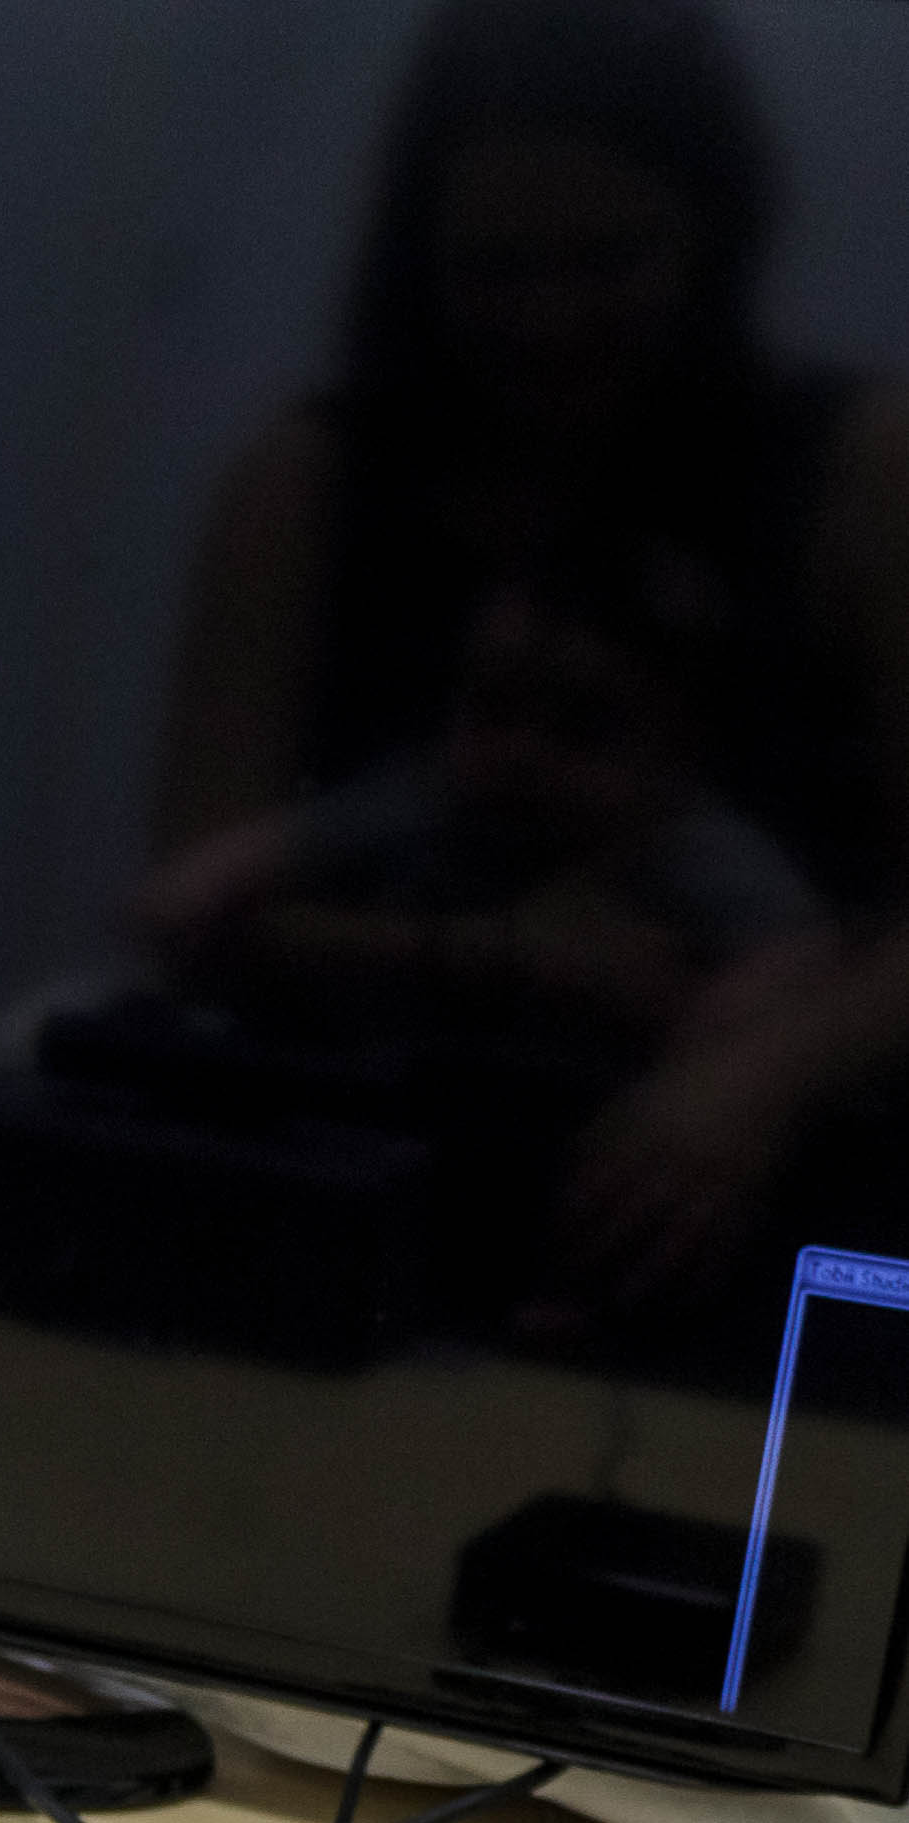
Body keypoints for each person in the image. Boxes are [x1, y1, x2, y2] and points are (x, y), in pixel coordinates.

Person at [143, 0, 909, 1320]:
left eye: (606, 259)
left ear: (711, 236)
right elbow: (196, 924)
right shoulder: (311, 486)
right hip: (332, 1196)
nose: (549, 323)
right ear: (421, 259)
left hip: (747, 1215)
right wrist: (515, 959)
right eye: (497, 270)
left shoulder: (858, 474)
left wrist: (749, 1078)